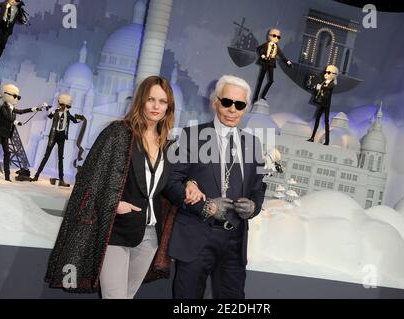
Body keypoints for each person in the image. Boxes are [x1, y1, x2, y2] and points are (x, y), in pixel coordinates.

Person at [45, 76, 198, 298]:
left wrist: (191, 183)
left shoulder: (167, 145)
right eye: (151, 99)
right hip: (115, 230)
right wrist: (113, 204)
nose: (156, 106)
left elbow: (170, 183)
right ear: (140, 102)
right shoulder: (118, 133)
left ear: (169, 106)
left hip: (149, 237)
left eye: (162, 101)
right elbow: (90, 179)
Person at [165, 75, 267, 299]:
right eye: (227, 102)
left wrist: (254, 206)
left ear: (245, 109)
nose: (232, 109)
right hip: (196, 236)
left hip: (235, 240)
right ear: (215, 102)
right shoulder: (192, 135)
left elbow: (258, 188)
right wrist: (205, 206)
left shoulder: (253, 144)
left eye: (239, 105)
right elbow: (172, 183)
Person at [31, 94, 81, 187]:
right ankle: (36, 175)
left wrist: (80, 119)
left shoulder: (68, 114)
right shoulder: (56, 112)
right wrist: (54, 110)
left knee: (60, 158)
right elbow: (49, 116)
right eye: (63, 105)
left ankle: (61, 179)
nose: (65, 107)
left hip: (61, 136)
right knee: (46, 156)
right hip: (53, 135)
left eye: (67, 106)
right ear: (61, 104)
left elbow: (74, 120)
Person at [0, 83, 41, 181]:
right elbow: (7, 117)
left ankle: (7, 177)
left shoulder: (11, 107)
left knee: (7, 154)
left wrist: (34, 109)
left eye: (18, 97)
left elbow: (21, 111)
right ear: (6, 94)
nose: (17, 98)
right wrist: (16, 122)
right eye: (15, 96)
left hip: (6, 134)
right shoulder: (3, 106)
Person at [252, 28, 292, 103]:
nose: (276, 38)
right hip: (264, 63)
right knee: (260, 80)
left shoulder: (277, 48)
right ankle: (255, 97)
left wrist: (287, 62)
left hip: (271, 64)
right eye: (274, 36)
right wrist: (262, 55)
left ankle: (263, 95)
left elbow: (282, 56)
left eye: (278, 37)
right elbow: (258, 49)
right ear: (269, 36)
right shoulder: (266, 44)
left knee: (271, 81)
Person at [306, 64, 339, 145]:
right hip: (321, 103)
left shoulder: (332, 83)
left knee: (326, 122)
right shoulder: (325, 81)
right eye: (325, 72)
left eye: (328, 72)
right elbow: (322, 88)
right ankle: (312, 137)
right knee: (317, 120)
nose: (326, 74)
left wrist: (321, 86)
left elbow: (327, 88)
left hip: (326, 104)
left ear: (333, 74)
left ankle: (327, 141)